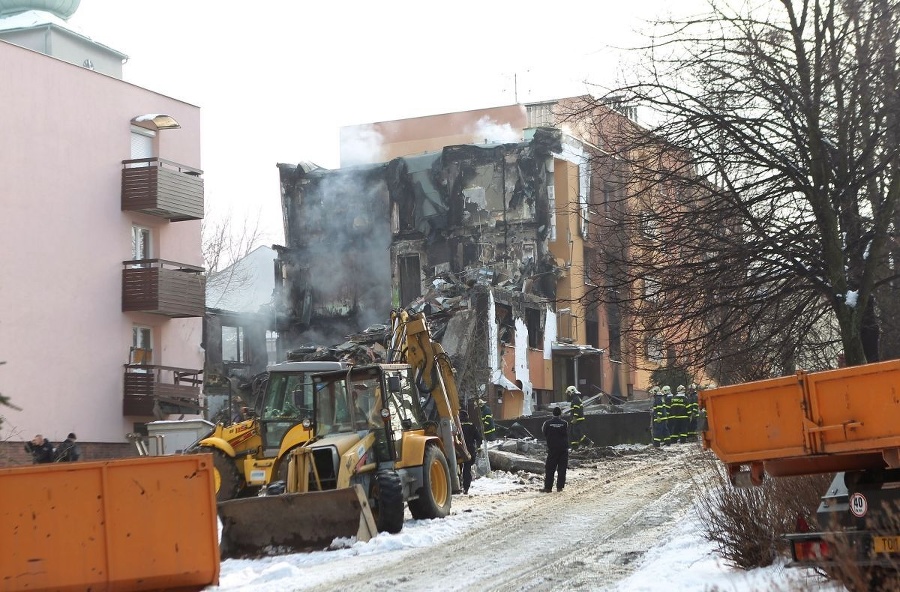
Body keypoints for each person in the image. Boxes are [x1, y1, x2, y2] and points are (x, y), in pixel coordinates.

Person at [542, 406, 569, 492]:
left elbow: (544, 432)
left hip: (552, 449)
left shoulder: (547, 423)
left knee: (550, 468)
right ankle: (559, 487)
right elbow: (567, 433)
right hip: (563, 449)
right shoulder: (565, 423)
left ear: (552, 414)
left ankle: (548, 488)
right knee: (562, 468)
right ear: (560, 414)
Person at [458, 410, 482, 494]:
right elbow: (478, 438)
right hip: (470, 449)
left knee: (458, 468)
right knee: (467, 469)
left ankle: (458, 485)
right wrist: (478, 446)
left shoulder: (457, 426)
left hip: (458, 450)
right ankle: (466, 488)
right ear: (467, 417)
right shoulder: (472, 426)